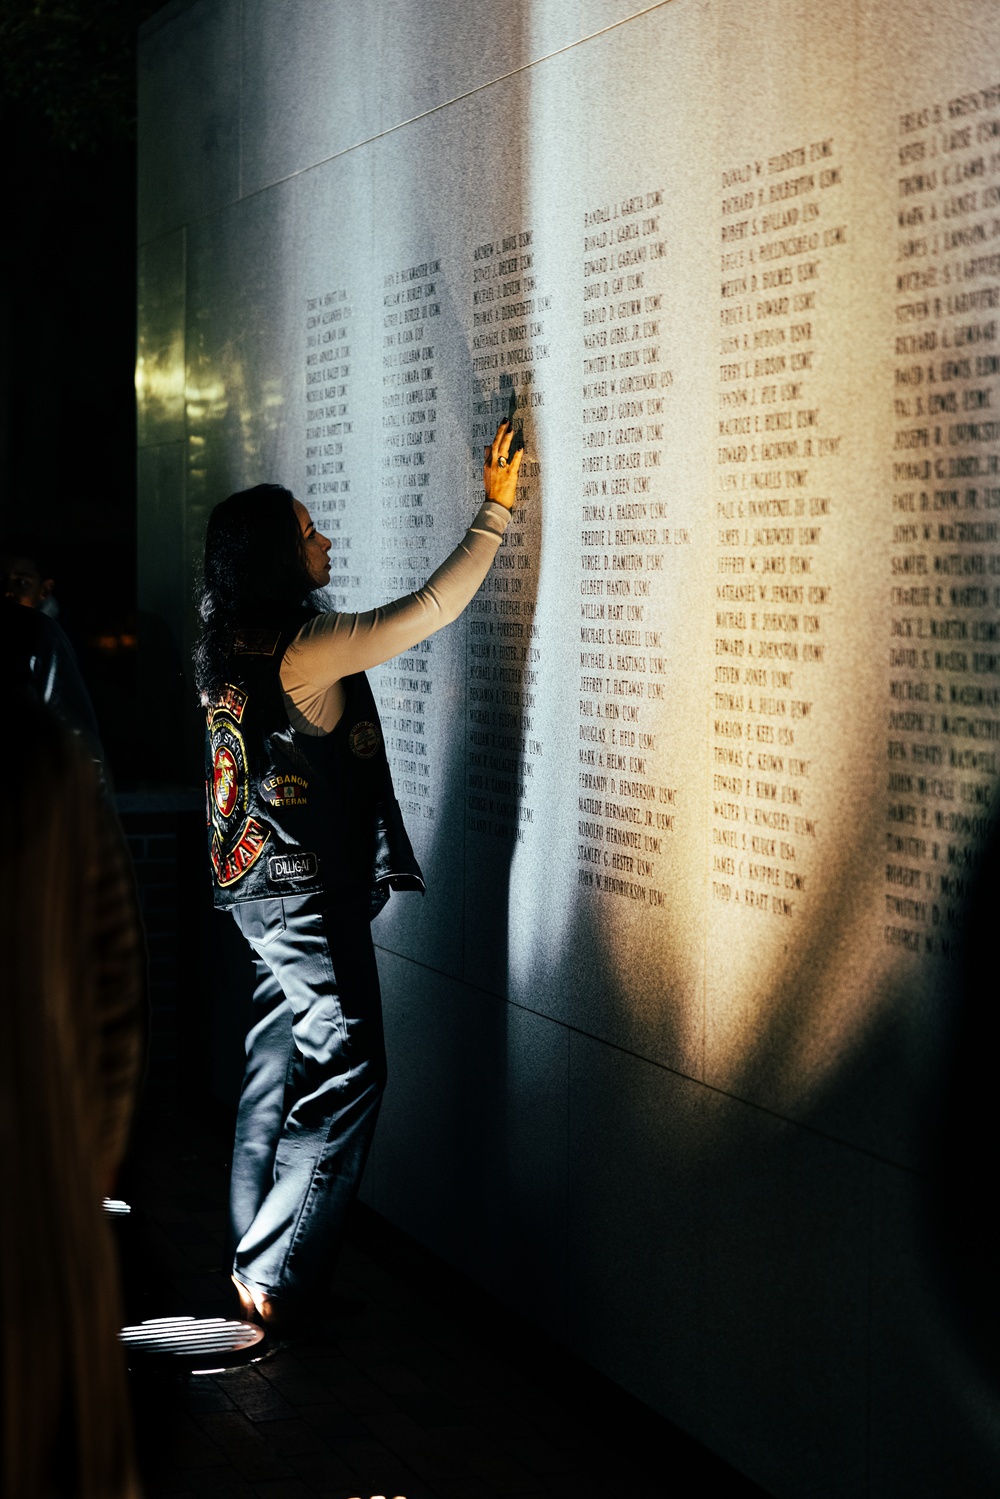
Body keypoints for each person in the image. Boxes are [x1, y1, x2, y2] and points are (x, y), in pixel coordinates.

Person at [194, 418, 524, 1333]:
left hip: (254, 892)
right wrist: (495, 511)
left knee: (276, 1067)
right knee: (349, 1071)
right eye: (308, 531)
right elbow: (428, 610)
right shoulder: (302, 647)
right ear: (276, 556)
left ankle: (251, 1251)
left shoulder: (228, 648)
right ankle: (270, 1271)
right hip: (301, 897)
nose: (325, 540)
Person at [0, 696, 145, 1497]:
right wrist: (92, 1149)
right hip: (44, 1182)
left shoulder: (47, 760)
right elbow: (117, 977)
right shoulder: (48, 760)